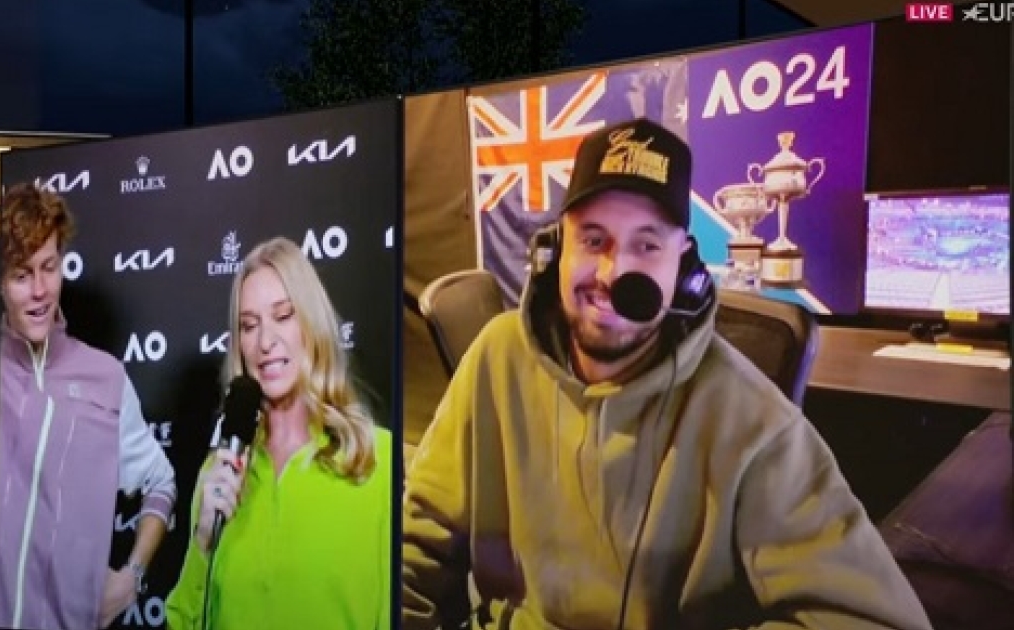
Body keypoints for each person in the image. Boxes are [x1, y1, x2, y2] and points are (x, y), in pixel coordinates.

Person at [402, 119, 933, 630]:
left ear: (684, 268)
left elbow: (872, 618)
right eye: (593, 240)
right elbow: (417, 540)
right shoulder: (497, 357)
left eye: (646, 245)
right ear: (554, 249)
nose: (612, 273)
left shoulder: (752, 419)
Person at [164, 236, 393, 630]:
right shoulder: (218, 473)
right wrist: (202, 542)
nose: (265, 342)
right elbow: (183, 622)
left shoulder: (378, 460)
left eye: (283, 316)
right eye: (249, 325)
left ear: (311, 324)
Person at [0, 183, 178, 630]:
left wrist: (131, 577)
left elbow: (161, 481)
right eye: (22, 275)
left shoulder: (105, 378)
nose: (40, 291)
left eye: (49, 268)